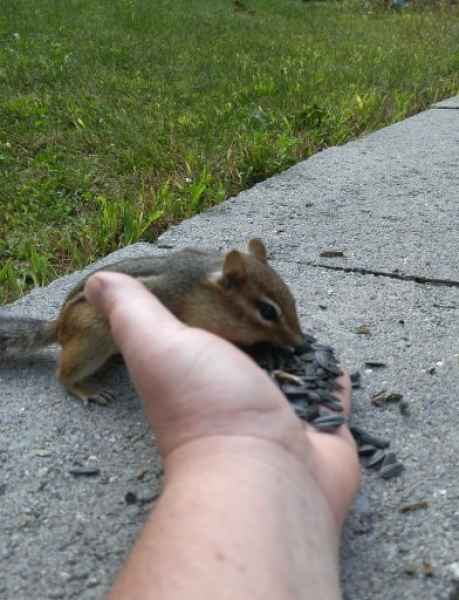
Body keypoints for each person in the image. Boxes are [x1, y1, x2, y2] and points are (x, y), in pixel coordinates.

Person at [84, 272, 361, 600]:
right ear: (227, 285)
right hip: (90, 329)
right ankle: (76, 381)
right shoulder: (196, 296)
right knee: (92, 332)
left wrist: (245, 449)